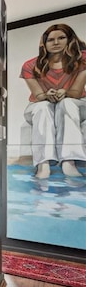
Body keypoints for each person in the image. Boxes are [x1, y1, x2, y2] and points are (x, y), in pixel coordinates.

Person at [21, 23, 86, 178]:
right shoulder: (30, 65)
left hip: (76, 102)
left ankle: (68, 162)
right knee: (43, 107)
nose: (56, 43)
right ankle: (43, 165)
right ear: (44, 43)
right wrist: (46, 95)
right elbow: (37, 95)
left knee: (67, 103)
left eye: (61, 38)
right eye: (51, 40)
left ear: (70, 40)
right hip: (40, 104)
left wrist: (65, 92)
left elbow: (76, 92)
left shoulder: (82, 60)